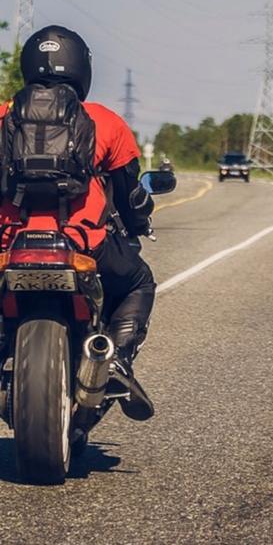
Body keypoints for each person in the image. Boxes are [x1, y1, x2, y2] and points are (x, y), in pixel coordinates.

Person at [0, 25, 156, 420]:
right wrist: (139, 222)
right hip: (83, 245)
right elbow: (130, 197)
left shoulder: (2, 116)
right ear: (81, 68)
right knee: (139, 281)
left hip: (9, 245)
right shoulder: (105, 122)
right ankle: (116, 359)